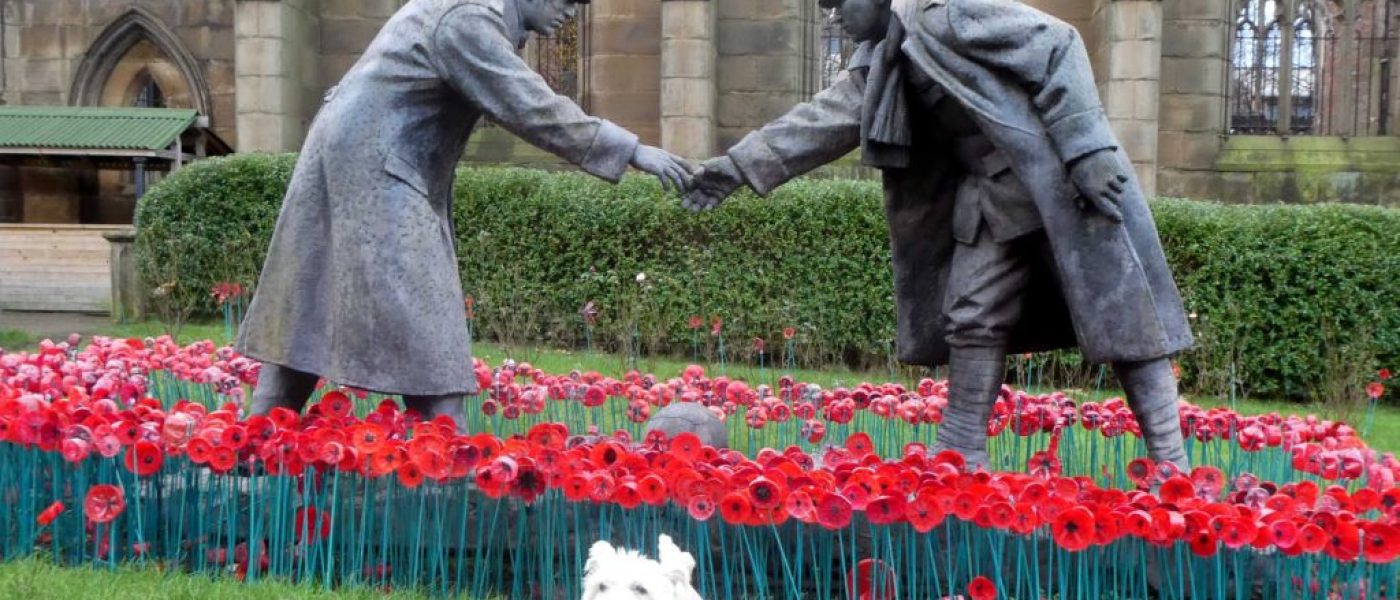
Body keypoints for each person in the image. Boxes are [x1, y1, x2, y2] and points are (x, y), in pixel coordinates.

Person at [684, 0, 1194, 471]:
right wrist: (734, 168)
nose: (834, 16)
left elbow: (1057, 41)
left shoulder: (944, 12)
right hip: (992, 193)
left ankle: (1172, 466)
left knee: (1126, 321)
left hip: (1059, 183)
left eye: (839, 2)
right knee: (971, 312)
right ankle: (961, 448)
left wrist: (1087, 148)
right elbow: (820, 122)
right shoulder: (882, 56)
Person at [238, 0, 694, 430]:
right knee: (431, 333)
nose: (572, 9)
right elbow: (527, 103)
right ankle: (447, 460)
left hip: (357, 159)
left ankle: (253, 441)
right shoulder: (467, 16)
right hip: (377, 169)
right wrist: (632, 149)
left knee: (307, 305)